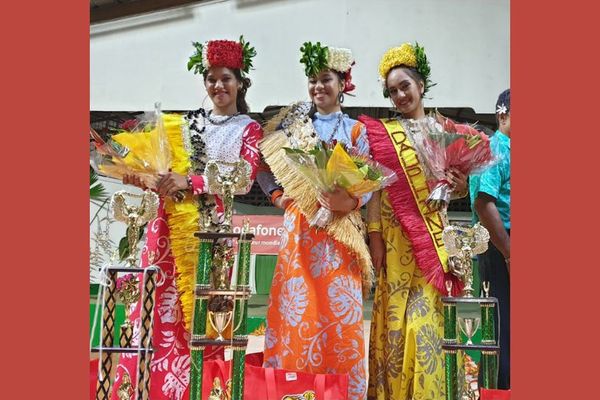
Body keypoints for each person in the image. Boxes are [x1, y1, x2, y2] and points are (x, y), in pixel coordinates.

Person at [110, 37, 262, 400]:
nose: (217, 86)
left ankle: (199, 390)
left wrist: (191, 181)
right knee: (159, 307)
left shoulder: (249, 129)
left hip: (212, 235)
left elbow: (243, 177)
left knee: (206, 317)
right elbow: (161, 172)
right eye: (210, 79)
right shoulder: (185, 124)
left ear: (240, 82)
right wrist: (143, 177)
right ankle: (153, 389)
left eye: (225, 78)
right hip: (168, 229)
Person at [257, 42, 372, 400]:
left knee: (339, 317)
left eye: (326, 80)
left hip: (341, 235)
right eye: (313, 80)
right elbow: (264, 166)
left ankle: (341, 393)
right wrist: (280, 196)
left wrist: (349, 200)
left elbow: (367, 184)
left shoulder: (356, 131)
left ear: (343, 85)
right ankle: (293, 391)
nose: (318, 87)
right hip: (300, 234)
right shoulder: (293, 127)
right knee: (299, 314)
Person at [358, 42, 468, 400]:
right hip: (392, 242)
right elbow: (374, 189)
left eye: (405, 86)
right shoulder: (384, 136)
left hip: (432, 242)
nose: (400, 95)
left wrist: (461, 186)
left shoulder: (446, 130)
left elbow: (458, 191)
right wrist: (373, 236)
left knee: (426, 327)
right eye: (392, 91)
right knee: (395, 326)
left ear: (421, 85)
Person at [470, 88, 511, 390]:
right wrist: (510, 254)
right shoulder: (494, 150)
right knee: (503, 327)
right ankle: (500, 390)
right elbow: (484, 204)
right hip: (500, 247)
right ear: (502, 114)